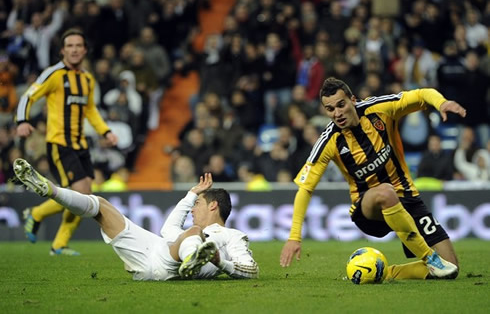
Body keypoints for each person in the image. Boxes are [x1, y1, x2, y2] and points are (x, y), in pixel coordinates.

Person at [280, 77, 467, 280]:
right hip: (368, 208)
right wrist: (294, 237)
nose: (337, 113)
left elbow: (422, 94)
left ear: (353, 99)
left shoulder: (380, 109)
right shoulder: (329, 140)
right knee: (386, 191)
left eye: (341, 105)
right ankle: (430, 258)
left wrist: (441, 103)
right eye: (330, 109)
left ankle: (388, 273)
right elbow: (305, 188)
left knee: (452, 269)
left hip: (407, 198)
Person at [13, 159, 259, 280]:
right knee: (100, 206)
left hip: (172, 266)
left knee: (193, 231)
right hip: (154, 252)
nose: (193, 209)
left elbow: (251, 271)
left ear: (214, 205)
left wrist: (219, 262)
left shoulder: (233, 236)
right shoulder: (186, 231)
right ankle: (50, 190)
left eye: (198, 204)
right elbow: (167, 229)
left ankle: (193, 260)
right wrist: (190, 194)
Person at [15, 28, 118, 256]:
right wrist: (22, 119)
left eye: (78, 46)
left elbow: (90, 110)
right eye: (69, 46)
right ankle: (37, 214)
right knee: (80, 195)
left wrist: (105, 131)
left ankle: (59, 245)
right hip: (60, 143)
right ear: (62, 50)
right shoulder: (53, 74)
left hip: (81, 145)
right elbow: (28, 96)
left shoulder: (87, 79)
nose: (74, 50)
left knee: (85, 198)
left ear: (85, 50)